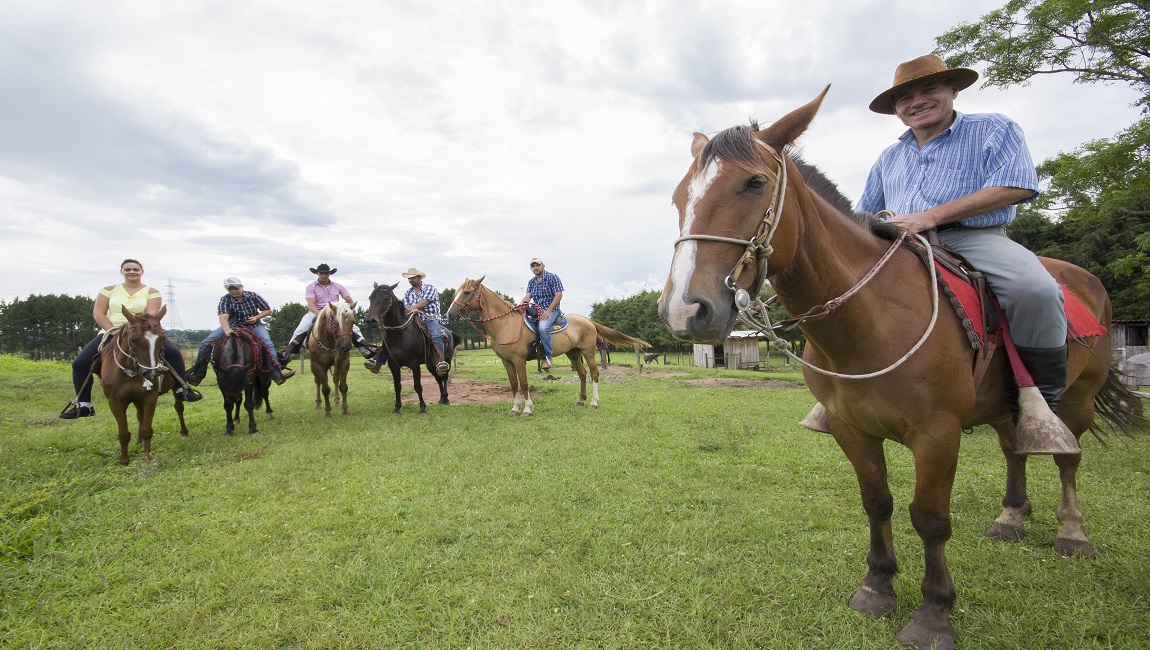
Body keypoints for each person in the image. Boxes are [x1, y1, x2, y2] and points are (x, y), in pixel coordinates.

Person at [857, 54, 1071, 439]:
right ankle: (841, 391)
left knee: (1035, 291)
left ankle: (1040, 401)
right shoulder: (889, 157)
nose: (917, 101)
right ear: (897, 109)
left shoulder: (993, 129)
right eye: (905, 97)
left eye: (929, 89)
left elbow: (1016, 185)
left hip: (973, 238)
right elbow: (863, 213)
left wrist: (931, 216)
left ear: (953, 90)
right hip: (899, 244)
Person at [60, 259, 202, 419]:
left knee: (173, 353)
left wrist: (134, 328)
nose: (132, 271)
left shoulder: (152, 292)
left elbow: (151, 315)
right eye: (127, 269)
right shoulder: (108, 291)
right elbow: (98, 313)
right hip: (111, 332)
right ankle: (83, 405)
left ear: (142, 272)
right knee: (80, 364)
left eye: (136, 269)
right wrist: (111, 329)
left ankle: (182, 389)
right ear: (122, 272)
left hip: (141, 332)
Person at [186, 277, 295, 386]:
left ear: (242, 287)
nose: (233, 291)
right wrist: (227, 330)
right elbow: (223, 316)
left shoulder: (253, 296)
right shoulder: (225, 299)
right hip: (232, 324)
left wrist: (256, 317)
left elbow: (268, 310)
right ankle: (198, 374)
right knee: (205, 343)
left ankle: (276, 374)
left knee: (267, 343)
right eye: (230, 289)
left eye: (236, 288)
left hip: (254, 325)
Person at [276, 263, 375, 365]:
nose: (324, 275)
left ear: (329, 274)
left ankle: (366, 351)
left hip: (335, 312)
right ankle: (287, 355)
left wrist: (347, 310)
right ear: (317, 274)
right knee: (301, 329)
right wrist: (320, 315)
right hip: (315, 312)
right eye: (321, 273)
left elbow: (350, 302)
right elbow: (311, 304)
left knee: (354, 328)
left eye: (326, 273)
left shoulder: (338, 286)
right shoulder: (311, 287)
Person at [366, 267, 451, 375]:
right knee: (392, 336)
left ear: (419, 278)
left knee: (436, 335)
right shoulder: (408, 292)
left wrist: (414, 308)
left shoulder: (430, 288)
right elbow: (406, 306)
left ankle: (440, 361)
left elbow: (425, 302)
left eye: (413, 278)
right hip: (412, 318)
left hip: (429, 318)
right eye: (409, 278)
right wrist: (410, 309)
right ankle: (378, 360)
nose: (411, 280)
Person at [520, 257, 564, 371]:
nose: (536, 268)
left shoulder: (553, 277)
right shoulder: (531, 282)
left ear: (543, 266)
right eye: (533, 266)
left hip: (551, 310)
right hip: (536, 309)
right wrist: (522, 304)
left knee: (543, 328)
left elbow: (559, 295)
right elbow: (527, 297)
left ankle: (548, 357)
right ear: (531, 268)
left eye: (538, 265)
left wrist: (548, 311)